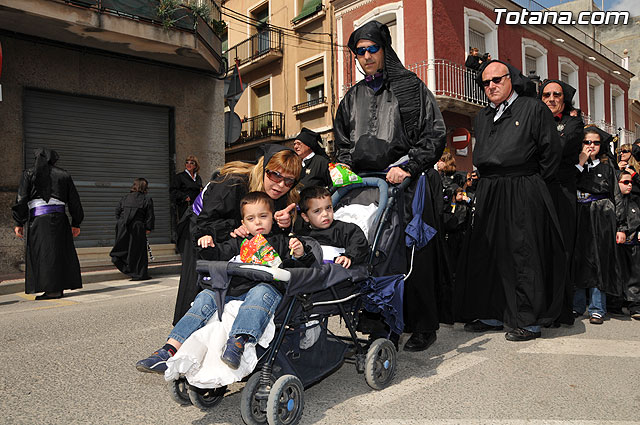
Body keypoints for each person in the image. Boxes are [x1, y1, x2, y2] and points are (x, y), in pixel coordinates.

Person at [333, 20, 448, 352]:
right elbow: (342, 142)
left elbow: (434, 134)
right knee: (371, 252)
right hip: (366, 187)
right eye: (359, 51)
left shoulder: (411, 87)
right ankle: (380, 323)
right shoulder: (351, 96)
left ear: (385, 50)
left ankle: (424, 326)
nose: (366, 56)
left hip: (406, 181)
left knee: (413, 256)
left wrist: (409, 167)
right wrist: (341, 162)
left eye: (372, 49)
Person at [137, 191, 315, 373]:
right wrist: (207, 244)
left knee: (261, 290)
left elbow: (301, 267)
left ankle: (237, 341)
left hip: (263, 292)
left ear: (272, 218)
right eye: (251, 218)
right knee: (206, 296)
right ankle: (169, 349)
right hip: (231, 291)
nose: (258, 222)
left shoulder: (281, 242)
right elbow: (216, 255)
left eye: (263, 216)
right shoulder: (237, 242)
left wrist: (300, 253)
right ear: (243, 223)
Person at [456, 60, 566, 341]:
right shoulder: (481, 117)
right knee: (488, 250)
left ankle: (527, 320)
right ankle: (492, 312)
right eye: (485, 83)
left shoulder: (533, 108)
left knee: (522, 253)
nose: (491, 86)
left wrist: (530, 182)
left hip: (522, 187)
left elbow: (550, 154)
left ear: (511, 80)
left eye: (497, 80)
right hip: (489, 189)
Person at [171, 145, 302, 325]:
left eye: (289, 181)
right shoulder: (232, 182)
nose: (281, 185)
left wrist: (283, 224)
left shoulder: (283, 195)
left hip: (231, 236)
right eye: (275, 175)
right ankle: (182, 337)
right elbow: (205, 221)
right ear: (264, 168)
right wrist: (234, 227)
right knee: (196, 286)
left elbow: (271, 235)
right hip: (200, 229)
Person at [538, 79, 584, 326]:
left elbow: (560, 147)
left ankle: (559, 311)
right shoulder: (535, 121)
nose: (551, 99)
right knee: (540, 250)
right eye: (546, 95)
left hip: (563, 193)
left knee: (561, 250)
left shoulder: (574, 123)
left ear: (564, 100)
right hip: (539, 191)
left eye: (556, 94)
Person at [12, 148, 84, 300]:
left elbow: (21, 199)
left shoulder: (29, 174)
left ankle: (52, 290)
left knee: (43, 253)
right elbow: (74, 201)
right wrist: (76, 222)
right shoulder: (64, 174)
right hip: (60, 219)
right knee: (59, 253)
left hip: (39, 220)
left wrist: (19, 221)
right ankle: (58, 287)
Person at [572, 125, 625, 325]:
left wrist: (621, 226)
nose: (591, 146)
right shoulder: (573, 166)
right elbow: (567, 183)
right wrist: (581, 161)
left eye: (595, 142)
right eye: (587, 142)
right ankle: (577, 306)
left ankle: (597, 308)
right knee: (578, 260)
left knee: (599, 262)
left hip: (601, 217)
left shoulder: (607, 168)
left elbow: (616, 195)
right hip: (578, 215)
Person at [297, 186, 369, 267]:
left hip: (339, 272)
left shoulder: (345, 229)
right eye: (317, 211)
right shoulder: (302, 236)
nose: (325, 214)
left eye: (328, 208)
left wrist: (349, 257)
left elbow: (358, 243)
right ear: (306, 217)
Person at [110, 178, 155, 281]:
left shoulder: (125, 197)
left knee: (123, 246)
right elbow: (149, 215)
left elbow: (117, 211)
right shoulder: (146, 199)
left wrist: (122, 223)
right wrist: (148, 227)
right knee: (138, 250)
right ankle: (139, 273)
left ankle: (122, 263)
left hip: (122, 225)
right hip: (137, 226)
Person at [614, 170, 640, 320]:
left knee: (634, 275)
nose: (629, 185)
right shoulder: (611, 202)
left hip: (633, 244)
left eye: (631, 182)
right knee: (617, 272)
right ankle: (615, 303)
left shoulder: (635, 199)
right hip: (617, 244)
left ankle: (634, 305)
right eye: (625, 182)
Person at [171, 155, 202, 250]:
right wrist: (184, 197)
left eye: (191, 163)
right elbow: (173, 191)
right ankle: (181, 246)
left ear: (195, 165)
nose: (189, 164)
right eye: (187, 162)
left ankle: (192, 245)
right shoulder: (180, 177)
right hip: (184, 205)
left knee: (194, 225)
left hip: (195, 206)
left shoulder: (198, 178)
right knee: (183, 225)